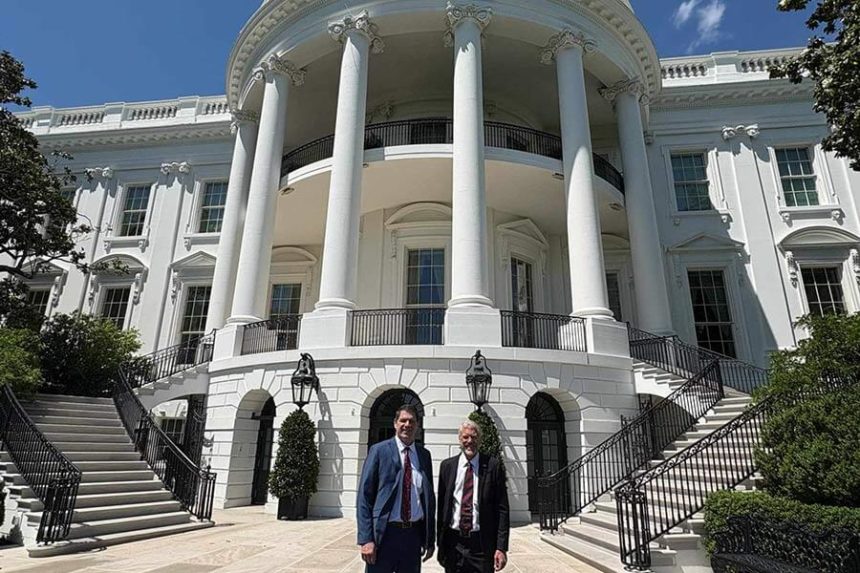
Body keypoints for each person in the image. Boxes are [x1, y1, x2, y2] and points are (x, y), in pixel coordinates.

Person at [357, 404, 436, 573]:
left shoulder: (424, 455)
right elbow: (365, 497)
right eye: (403, 420)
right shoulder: (379, 451)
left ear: (417, 425)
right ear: (395, 423)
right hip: (384, 535)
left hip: (413, 536)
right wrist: (366, 539)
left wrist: (429, 539)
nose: (407, 424)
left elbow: (428, 499)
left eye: (412, 421)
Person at [437, 420, 510, 573]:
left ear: (480, 440)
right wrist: (440, 543)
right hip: (454, 543)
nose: (470, 441)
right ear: (460, 439)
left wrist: (501, 548)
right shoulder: (447, 466)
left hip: (481, 545)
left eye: (474, 437)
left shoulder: (492, 465)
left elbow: (502, 509)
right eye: (465, 437)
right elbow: (442, 506)